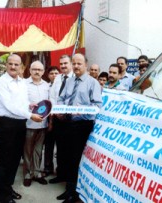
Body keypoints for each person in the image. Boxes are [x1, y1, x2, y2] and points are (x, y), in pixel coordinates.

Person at [0, 54, 42, 203]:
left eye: (16, 64)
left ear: (21, 66)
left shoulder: (22, 82)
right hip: (6, 125)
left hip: (20, 124)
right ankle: (4, 196)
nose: (13, 67)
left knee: (14, 160)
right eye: (11, 64)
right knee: (4, 161)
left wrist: (30, 105)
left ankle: (8, 188)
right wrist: (30, 115)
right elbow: (9, 105)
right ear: (6, 65)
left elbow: (21, 101)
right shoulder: (1, 82)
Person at [56, 53, 102, 202]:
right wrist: (61, 110)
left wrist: (81, 110)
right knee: (67, 157)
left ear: (85, 65)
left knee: (76, 159)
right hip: (66, 123)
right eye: (74, 63)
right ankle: (69, 188)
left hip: (82, 125)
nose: (75, 66)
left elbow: (96, 106)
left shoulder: (92, 83)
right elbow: (61, 98)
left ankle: (74, 193)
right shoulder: (69, 81)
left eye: (79, 63)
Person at [23, 61, 49, 187]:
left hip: (43, 124)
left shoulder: (47, 85)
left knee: (38, 150)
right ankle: (28, 174)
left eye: (39, 70)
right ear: (30, 70)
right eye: (34, 69)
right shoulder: (23, 84)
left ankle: (37, 173)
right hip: (29, 123)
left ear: (43, 72)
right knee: (28, 149)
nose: (37, 72)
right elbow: (20, 102)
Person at [48, 55, 74, 184]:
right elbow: (52, 96)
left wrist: (66, 112)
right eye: (61, 64)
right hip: (58, 118)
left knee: (69, 149)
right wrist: (55, 111)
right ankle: (60, 174)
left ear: (71, 63)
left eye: (65, 63)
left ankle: (69, 178)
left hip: (70, 119)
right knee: (60, 148)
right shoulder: (58, 78)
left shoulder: (76, 78)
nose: (63, 66)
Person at [43, 66, 59, 176]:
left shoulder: (63, 85)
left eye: (56, 73)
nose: (54, 75)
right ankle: (48, 168)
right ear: (48, 75)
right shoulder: (46, 87)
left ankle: (60, 169)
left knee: (60, 147)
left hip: (59, 118)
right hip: (48, 118)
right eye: (52, 73)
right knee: (48, 145)